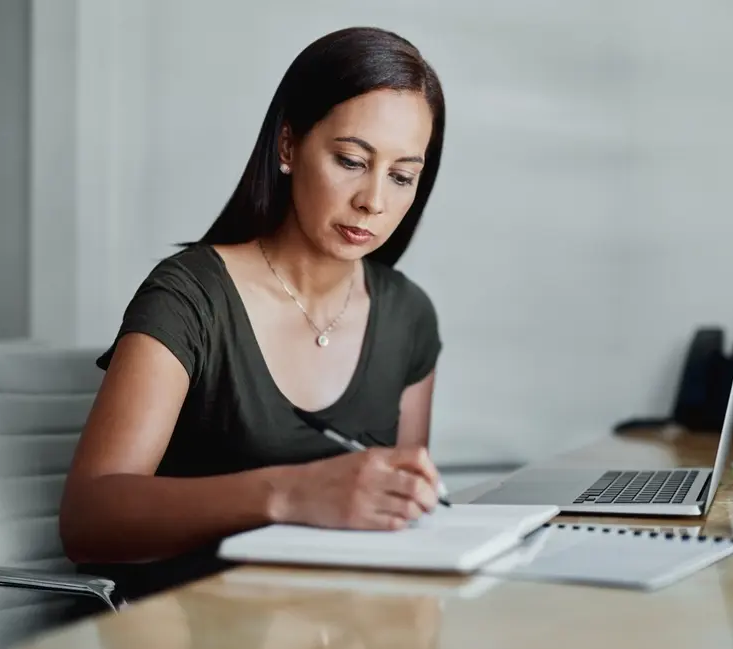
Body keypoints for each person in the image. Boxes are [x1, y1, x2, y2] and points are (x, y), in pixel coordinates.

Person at [58, 25, 448, 600]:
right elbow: (88, 520)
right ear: (288, 146)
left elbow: (396, 515)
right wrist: (292, 492)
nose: (374, 200)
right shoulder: (190, 296)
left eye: (401, 176)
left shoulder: (408, 315)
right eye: (350, 160)